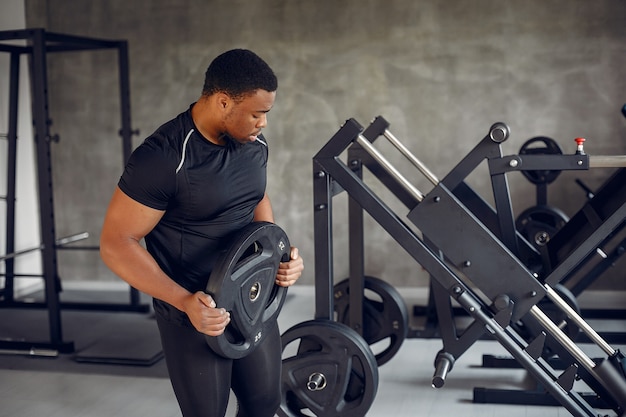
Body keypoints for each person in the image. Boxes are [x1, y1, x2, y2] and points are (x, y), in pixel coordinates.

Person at [100, 49, 304, 417]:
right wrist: (183, 302)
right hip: (193, 311)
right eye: (257, 113)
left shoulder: (253, 144)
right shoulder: (163, 158)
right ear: (223, 102)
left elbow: (255, 197)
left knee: (264, 403)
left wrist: (278, 258)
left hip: (249, 301)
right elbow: (116, 244)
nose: (264, 123)